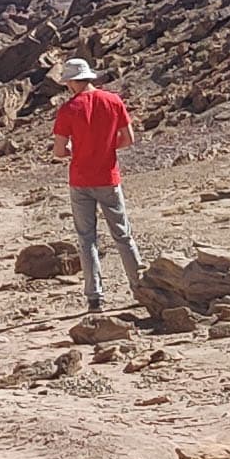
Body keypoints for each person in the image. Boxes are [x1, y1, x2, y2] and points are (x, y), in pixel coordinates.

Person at [48, 58, 145, 312]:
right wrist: (104, 149)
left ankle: (95, 297)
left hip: (80, 180)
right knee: (123, 236)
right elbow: (128, 139)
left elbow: (59, 150)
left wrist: (76, 151)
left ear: (71, 82)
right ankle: (141, 287)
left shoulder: (69, 109)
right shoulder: (113, 101)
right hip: (109, 178)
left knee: (87, 239)